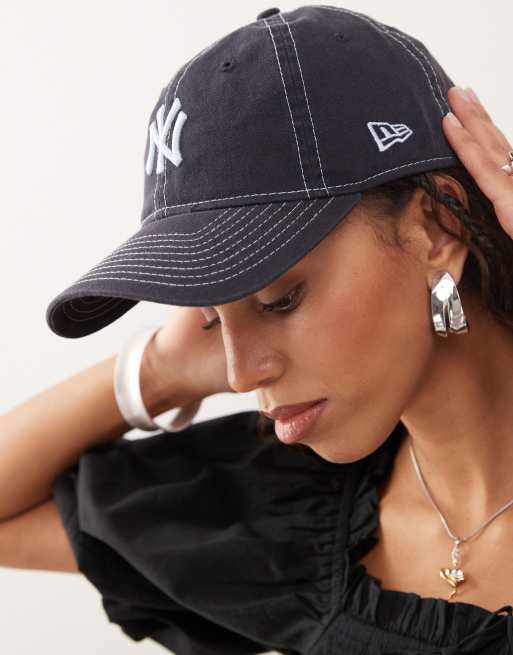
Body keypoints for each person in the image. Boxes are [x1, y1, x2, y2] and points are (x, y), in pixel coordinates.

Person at [1, 4, 513, 654]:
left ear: (437, 226)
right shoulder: (293, 526)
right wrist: (158, 371)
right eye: (213, 318)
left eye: (280, 299)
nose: (241, 374)